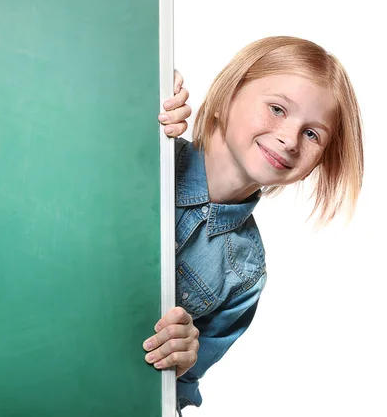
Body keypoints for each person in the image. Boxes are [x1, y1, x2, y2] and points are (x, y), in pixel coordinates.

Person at [142, 36, 364, 414]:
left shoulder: (244, 273)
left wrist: (184, 360)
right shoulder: (140, 150)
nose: (290, 139)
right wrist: (135, 95)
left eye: (312, 134)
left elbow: (177, 390)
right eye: (277, 109)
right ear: (230, 92)